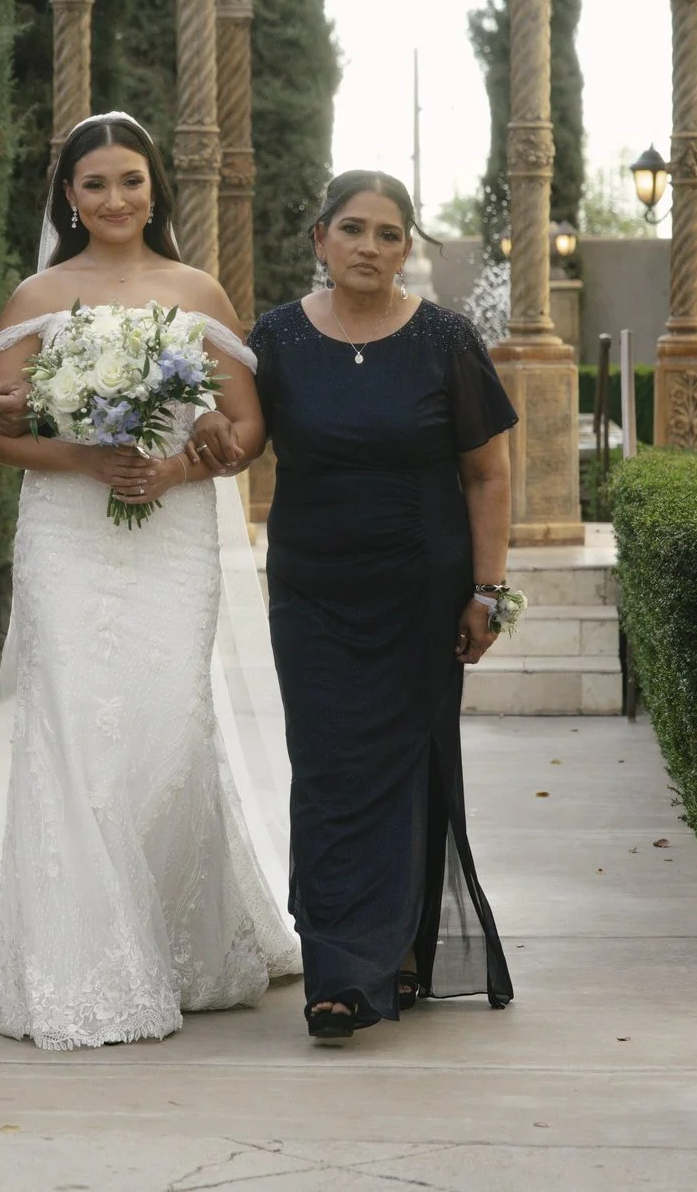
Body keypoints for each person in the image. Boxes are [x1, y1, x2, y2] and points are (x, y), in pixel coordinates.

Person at [0, 112, 296, 1049]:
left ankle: (179, 938)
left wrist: (183, 465)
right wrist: (81, 456)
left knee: (168, 717)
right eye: (96, 183)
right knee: (73, 720)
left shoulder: (197, 291)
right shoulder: (38, 295)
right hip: (68, 532)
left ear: (155, 190)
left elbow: (246, 427)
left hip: (171, 536)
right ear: (68, 197)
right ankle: (77, 956)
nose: (115, 198)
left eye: (131, 180)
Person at [245, 170, 519, 1040]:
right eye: (353, 229)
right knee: (326, 767)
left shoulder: (445, 338)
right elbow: (238, 439)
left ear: (407, 249)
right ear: (320, 239)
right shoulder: (276, 337)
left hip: (421, 588)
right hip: (312, 591)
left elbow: (488, 473)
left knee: (403, 767)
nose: (369, 246)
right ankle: (337, 967)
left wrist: (488, 590)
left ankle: (386, 953)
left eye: (389, 233)